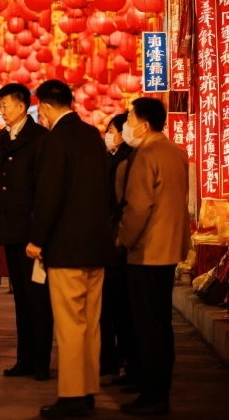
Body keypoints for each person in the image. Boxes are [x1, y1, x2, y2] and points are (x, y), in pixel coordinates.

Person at [27, 80, 116, 420]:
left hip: (67, 248)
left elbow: (49, 195)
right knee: (90, 323)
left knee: (69, 324)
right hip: (97, 246)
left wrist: (37, 239)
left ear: (45, 107)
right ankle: (88, 388)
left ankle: (72, 395)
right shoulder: (93, 136)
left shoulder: (54, 140)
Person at [117, 98, 191, 417]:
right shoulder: (176, 151)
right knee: (160, 323)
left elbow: (137, 208)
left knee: (147, 325)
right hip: (170, 248)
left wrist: (121, 239)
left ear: (144, 125)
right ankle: (160, 386)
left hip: (147, 250)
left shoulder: (145, 155)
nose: (125, 126)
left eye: (129, 118)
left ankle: (153, 394)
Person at [0, 82, 53, 380]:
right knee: (21, 299)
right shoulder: (4, 137)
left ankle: (41, 362)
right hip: (12, 230)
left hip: (32, 233)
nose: (1, 110)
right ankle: (24, 360)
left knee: (38, 300)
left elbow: (45, 190)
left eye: (4, 105)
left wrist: (39, 236)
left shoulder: (40, 138)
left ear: (21, 106)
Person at [100, 113, 139, 383]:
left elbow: (126, 206)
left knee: (119, 311)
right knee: (118, 311)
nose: (110, 134)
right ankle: (122, 362)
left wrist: (119, 240)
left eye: (114, 129)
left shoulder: (127, 161)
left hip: (119, 247)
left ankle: (125, 365)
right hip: (115, 245)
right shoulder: (115, 159)